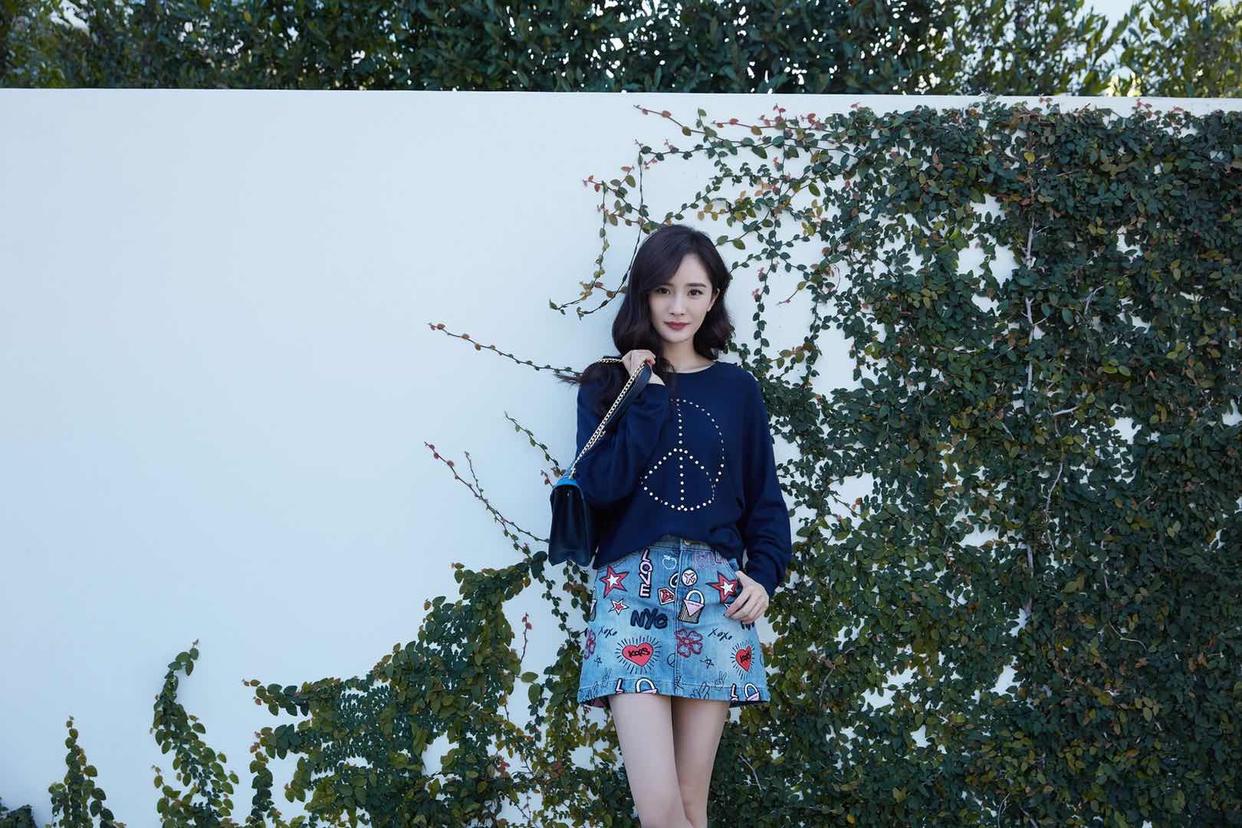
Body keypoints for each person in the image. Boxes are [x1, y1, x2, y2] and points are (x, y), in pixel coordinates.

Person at [559, 222, 793, 827]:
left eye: (694, 291)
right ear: (643, 295)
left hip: (715, 596)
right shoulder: (608, 385)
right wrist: (647, 393)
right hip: (630, 591)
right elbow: (600, 488)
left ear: (713, 297)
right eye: (663, 290)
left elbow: (764, 500)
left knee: (691, 806)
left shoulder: (737, 389)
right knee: (660, 810)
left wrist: (765, 575)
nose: (678, 306)